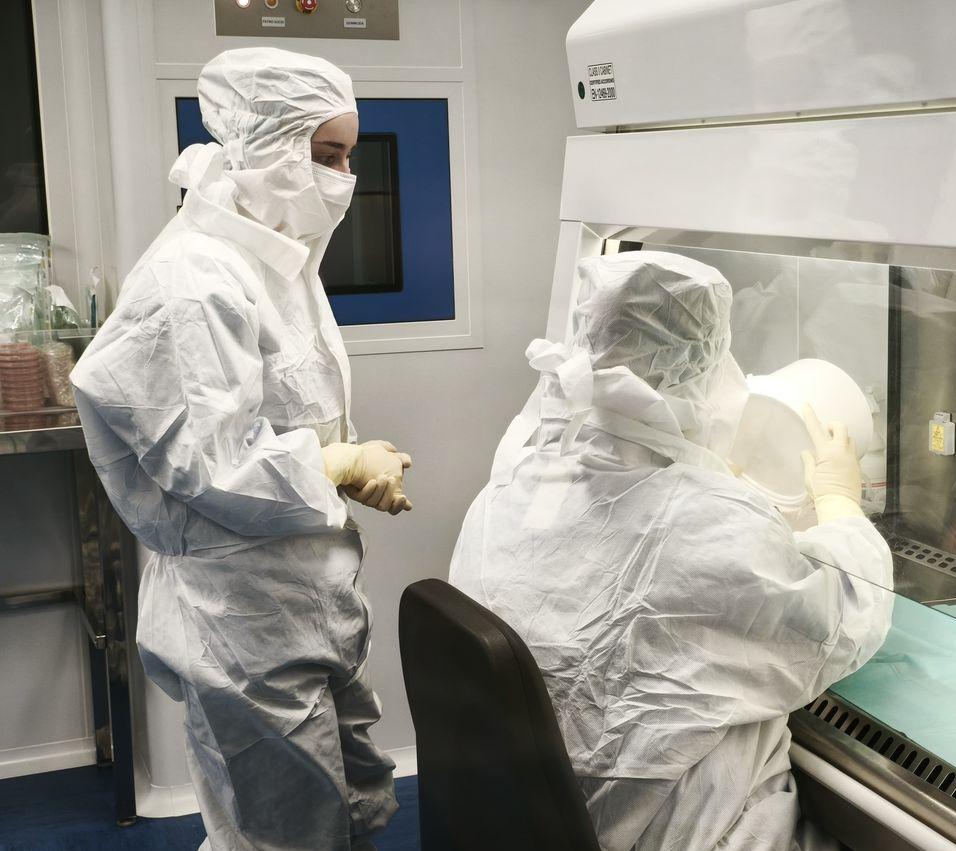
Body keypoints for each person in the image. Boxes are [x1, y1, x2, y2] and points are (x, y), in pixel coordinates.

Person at [71, 48, 407, 850]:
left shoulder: (274, 257)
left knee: (343, 800)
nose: (343, 177)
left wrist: (341, 454)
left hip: (300, 593)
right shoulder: (196, 275)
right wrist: (334, 466)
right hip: (244, 610)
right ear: (266, 144)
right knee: (279, 829)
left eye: (348, 156)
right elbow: (204, 459)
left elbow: (278, 406)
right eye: (326, 156)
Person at [449, 251, 893, 850]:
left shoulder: (516, 480)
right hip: (669, 831)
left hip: (538, 822)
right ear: (706, 361)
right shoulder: (704, 521)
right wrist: (840, 501)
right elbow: (843, 620)